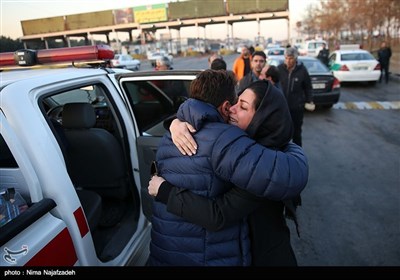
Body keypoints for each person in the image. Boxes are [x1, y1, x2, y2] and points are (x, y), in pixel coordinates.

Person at [147, 70, 308, 266]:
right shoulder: (238, 146)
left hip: (265, 256)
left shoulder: (257, 161)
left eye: (243, 107)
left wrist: (165, 191)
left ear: (262, 118)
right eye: (235, 101)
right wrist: (176, 122)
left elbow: (219, 214)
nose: (231, 109)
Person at [278, 47, 313, 147]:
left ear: (296, 58)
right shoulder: (279, 69)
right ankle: (282, 153)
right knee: (281, 132)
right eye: (286, 58)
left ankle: (297, 156)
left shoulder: (302, 70)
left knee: (296, 133)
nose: (288, 61)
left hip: (297, 108)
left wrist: (309, 100)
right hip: (282, 108)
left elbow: (308, 87)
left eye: (291, 58)